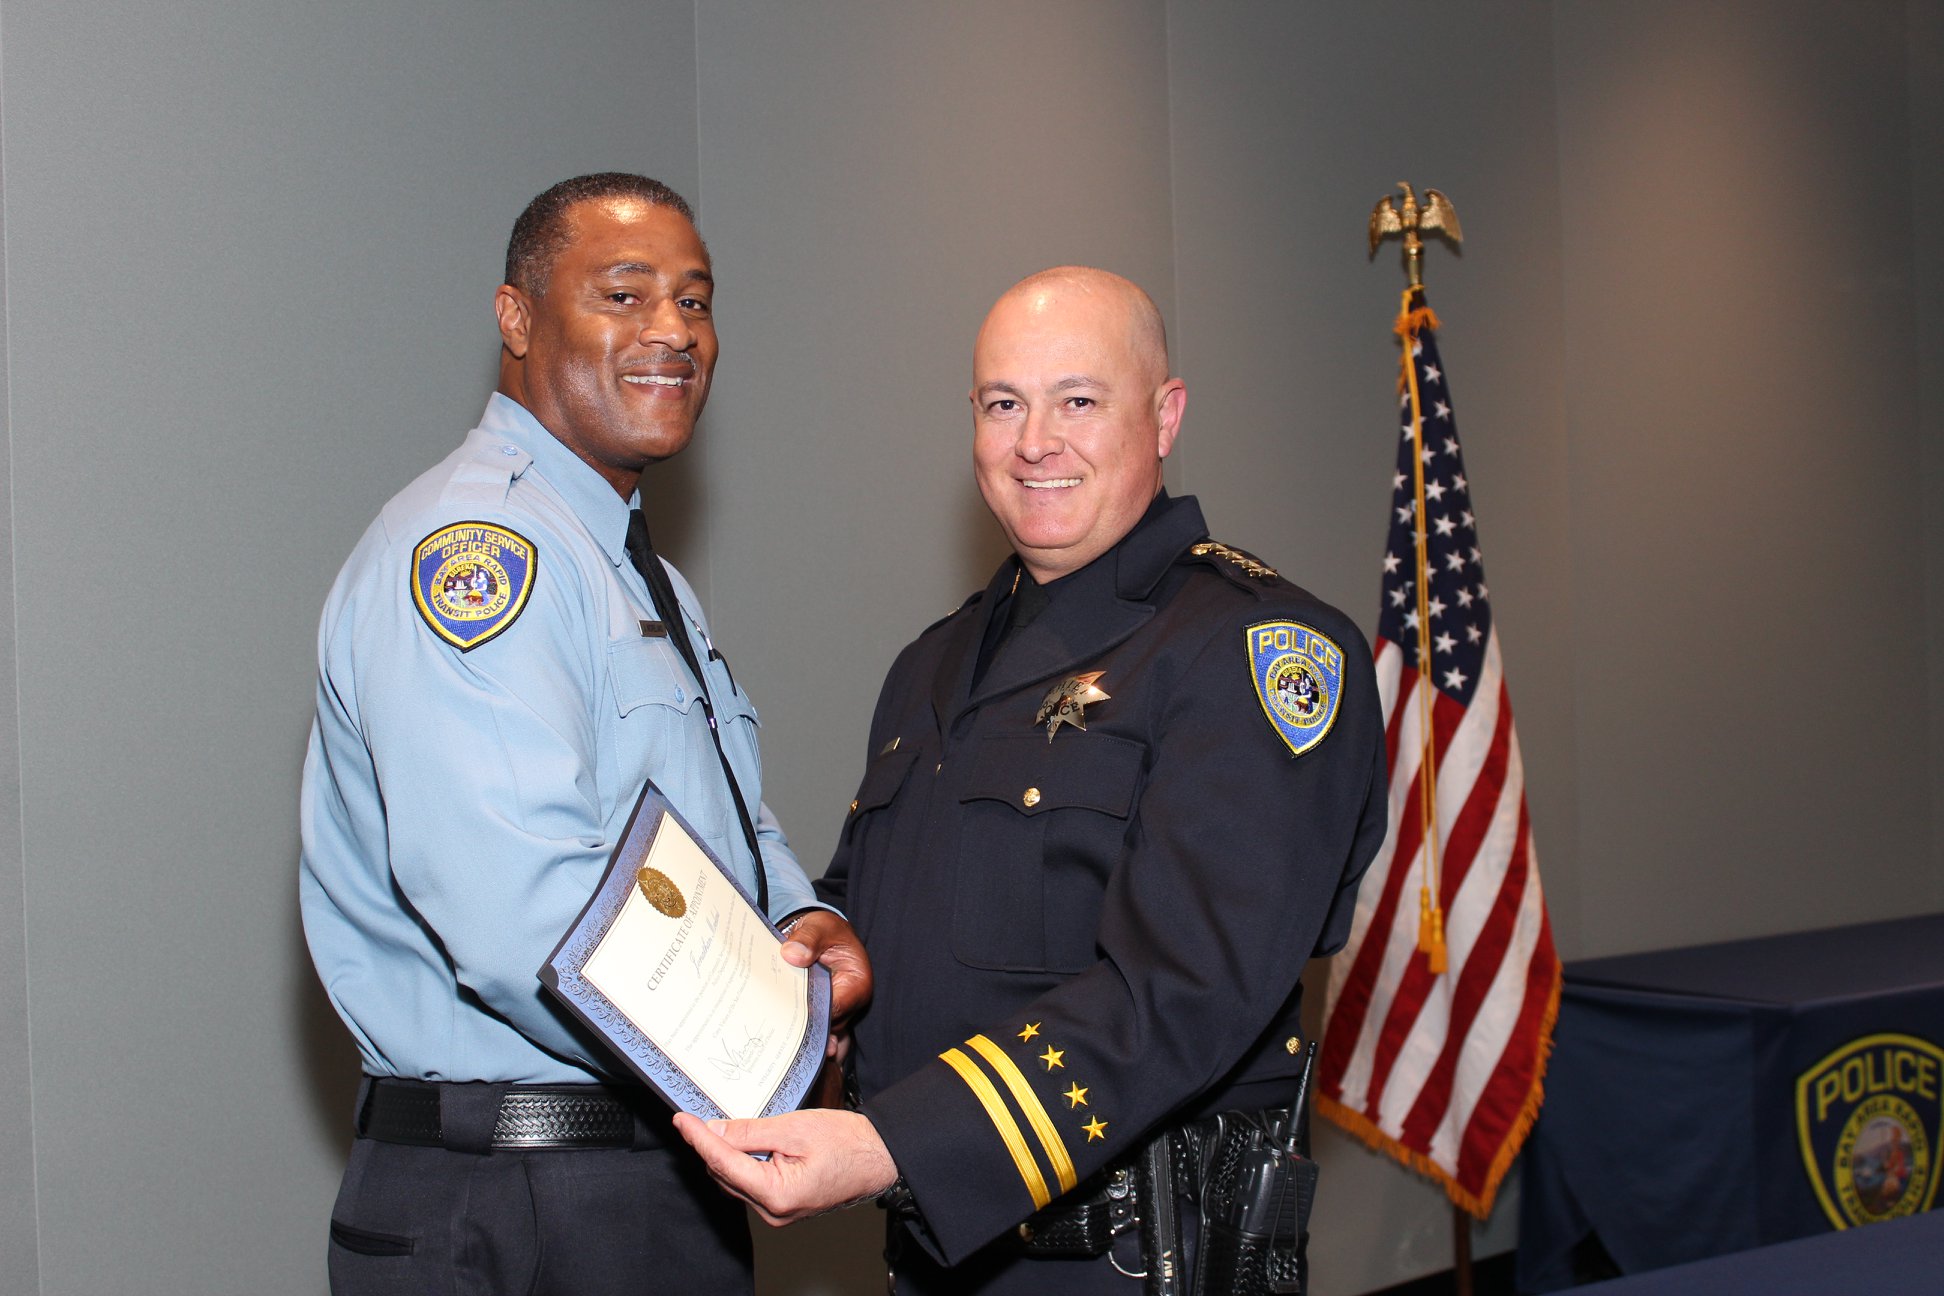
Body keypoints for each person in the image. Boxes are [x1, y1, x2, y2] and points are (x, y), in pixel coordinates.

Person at [676, 267, 1388, 1293]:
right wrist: (811, 962)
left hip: (1135, 1262)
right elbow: (906, 932)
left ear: (1165, 415)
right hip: (936, 1251)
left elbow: (1182, 992)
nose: (1035, 441)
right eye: (1003, 403)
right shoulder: (933, 664)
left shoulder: (1256, 650)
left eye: (1079, 401)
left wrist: (894, 1147)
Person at [300, 172, 869, 1296]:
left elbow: (720, 823)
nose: (673, 331)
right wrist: (781, 1044)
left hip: (639, 1178)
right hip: (520, 1204)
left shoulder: (621, 560)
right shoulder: (482, 553)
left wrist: (804, 922)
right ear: (516, 320)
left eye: (695, 301)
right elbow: (529, 915)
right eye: (624, 294)